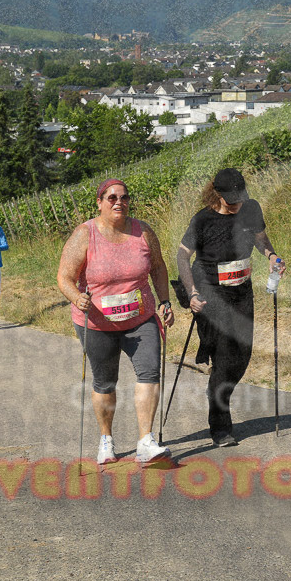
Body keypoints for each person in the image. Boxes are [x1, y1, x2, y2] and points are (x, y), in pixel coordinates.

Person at [57, 179, 176, 465]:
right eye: (111, 198)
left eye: (124, 197)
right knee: (105, 382)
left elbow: (158, 267)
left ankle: (146, 442)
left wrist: (164, 301)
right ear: (99, 202)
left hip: (141, 317)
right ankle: (106, 440)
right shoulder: (85, 235)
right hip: (98, 323)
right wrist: (76, 297)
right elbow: (64, 277)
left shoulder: (143, 231)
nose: (118, 202)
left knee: (150, 372)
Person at [176, 168, 284, 447]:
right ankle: (221, 426)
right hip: (211, 293)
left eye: (239, 197)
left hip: (242, 291)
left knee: (242, 355)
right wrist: (191, 292)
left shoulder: (251, 209)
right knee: (225, 357)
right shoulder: (203, 220)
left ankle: (217, 387)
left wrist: (270, 255)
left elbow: (260, 239)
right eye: (230, 198)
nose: (236, 203)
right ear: (217, 192)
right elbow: (182, 256)